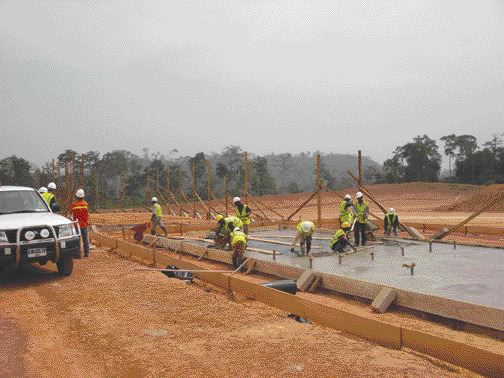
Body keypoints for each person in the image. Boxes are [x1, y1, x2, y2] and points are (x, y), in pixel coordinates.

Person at [69, 189, 90, 257]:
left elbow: (70, 215)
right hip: (84, 224)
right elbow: (87, 214)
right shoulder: (86, 204)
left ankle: (78, 254)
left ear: (76, 196)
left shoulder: (74, 205)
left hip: (77, 225)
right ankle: (86, 253)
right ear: (83, 196)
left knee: (77, 240)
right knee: (85, 239)